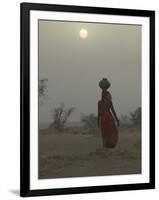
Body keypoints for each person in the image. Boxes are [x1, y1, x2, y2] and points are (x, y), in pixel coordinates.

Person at [98, 78, 119, 148]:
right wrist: (117, 120)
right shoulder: (109, 102)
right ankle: (110, 146)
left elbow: (99, 113)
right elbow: (113, 111)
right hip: (109, 119)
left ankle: (105, 146)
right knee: (111, 132)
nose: (110, 97)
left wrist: (98, 121)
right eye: (109, 96)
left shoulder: (100, 102)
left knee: (105, 133)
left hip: (103, 119)